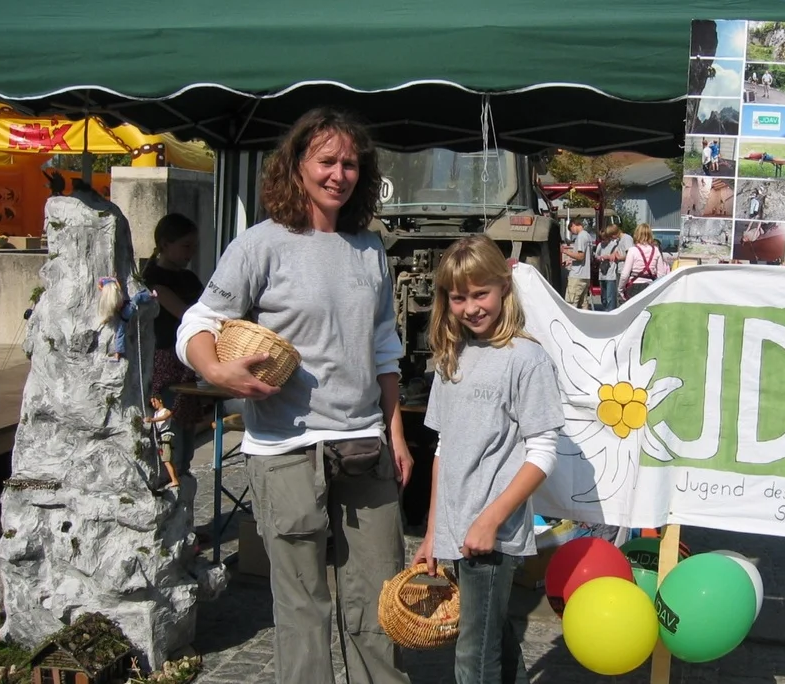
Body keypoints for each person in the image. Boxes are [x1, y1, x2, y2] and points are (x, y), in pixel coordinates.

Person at [175, 107, 412, 684]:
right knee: (303, 609)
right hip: (285, 449)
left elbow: (384, 349)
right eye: (326, 161)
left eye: (351, 163)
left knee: (377, 604)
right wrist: (218, 372)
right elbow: (197, 323)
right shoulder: (262, 244)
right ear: (297, 166)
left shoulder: (369, 247)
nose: (340, 174)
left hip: (363, 444)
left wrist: (396, 434)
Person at [413, 235, 565, 684]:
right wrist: (432, 532)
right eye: (459, 297)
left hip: (491, 534)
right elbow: (444, 448)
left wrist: (491, 519)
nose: (471, 307)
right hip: (457, 530)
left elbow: (542, 452)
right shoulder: (450, 357)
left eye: (481, 293)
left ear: (503, 287)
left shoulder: (526, 358)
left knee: (472, 654)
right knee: (491, 638)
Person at [142, 213, 204, 476]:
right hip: (164, 366)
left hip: (187, 365)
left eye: (193, 246)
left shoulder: (189, 279)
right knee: (168, 438)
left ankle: (183, 495)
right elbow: (188, 314)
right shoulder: (152, 279)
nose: (191, 252)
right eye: (185, 246)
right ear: (165, 244)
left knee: (186, 439)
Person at [619, 223, 670, 300]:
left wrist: (621, 289)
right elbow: (661, 275)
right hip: (650, 286)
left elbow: (625, 274)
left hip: (634, 286)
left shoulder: (633, 250)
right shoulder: (655, 250)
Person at [143, 394, 181, 489]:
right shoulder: (156, 413)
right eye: (152, 402)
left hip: (166, 436)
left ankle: (175, 480)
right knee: (168, 460)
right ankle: (175, 479)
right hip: (161, 437)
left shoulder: (165, 411)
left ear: (160, 400)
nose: (153, 404)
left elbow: (165, 417)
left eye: (154, 401)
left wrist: (152, 420)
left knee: (166, 460)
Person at [561, 218, 593, 309]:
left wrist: (566, 252)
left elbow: (580, 256)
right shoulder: (588, 236)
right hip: (585, 275)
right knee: (583, 303)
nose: (572, 233)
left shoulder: (581, 236)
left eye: (571, 230)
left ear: (573, 225)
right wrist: (571, 261)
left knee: (571, 303)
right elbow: (586, 258)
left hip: (577, 276)